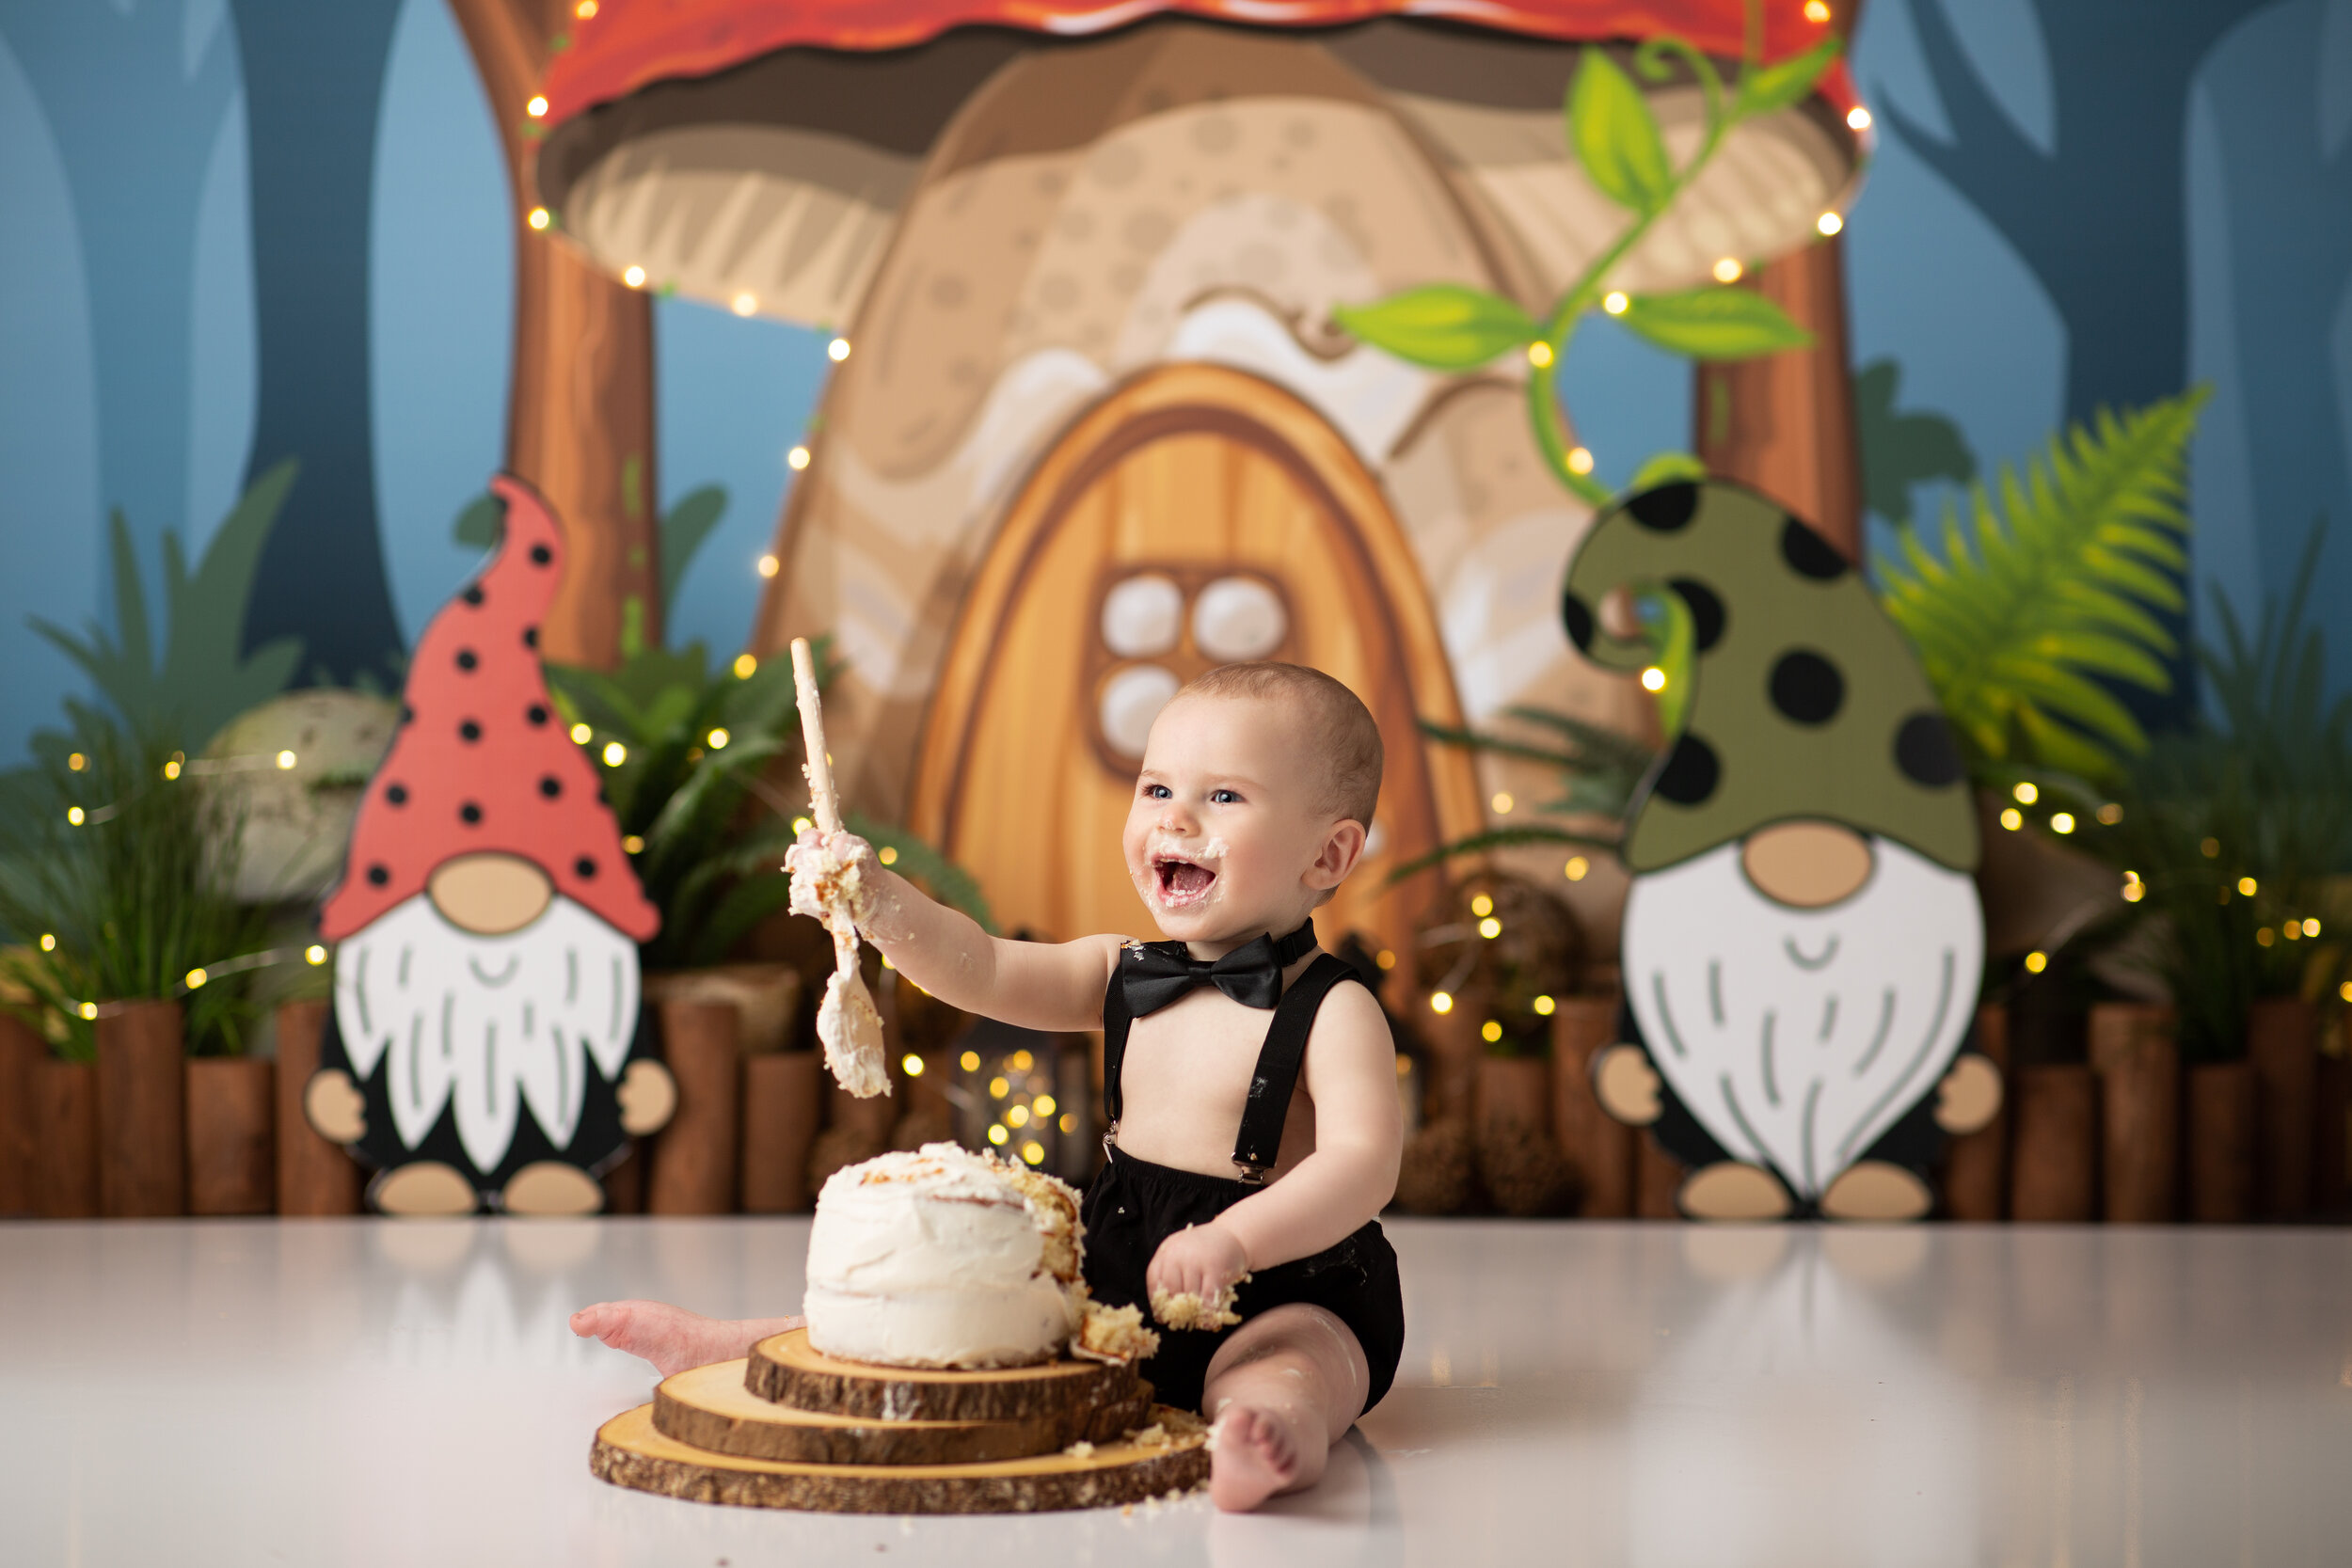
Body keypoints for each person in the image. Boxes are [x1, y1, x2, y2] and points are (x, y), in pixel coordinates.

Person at [573, 660, 1406, 1512]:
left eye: (1224, 796)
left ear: (1328, 852)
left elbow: (1362, 1164)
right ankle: (735, 1347)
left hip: (1285, 1277)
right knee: (949, 1320)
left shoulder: (1334, 1008)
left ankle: (1265, 1434)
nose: (1176, 817)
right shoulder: (1116, 969)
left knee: (1297, 1362)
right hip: (1119, 1262)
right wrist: (877, 898)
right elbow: (980, 965)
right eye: (1156, 788)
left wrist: (1234, 1242)